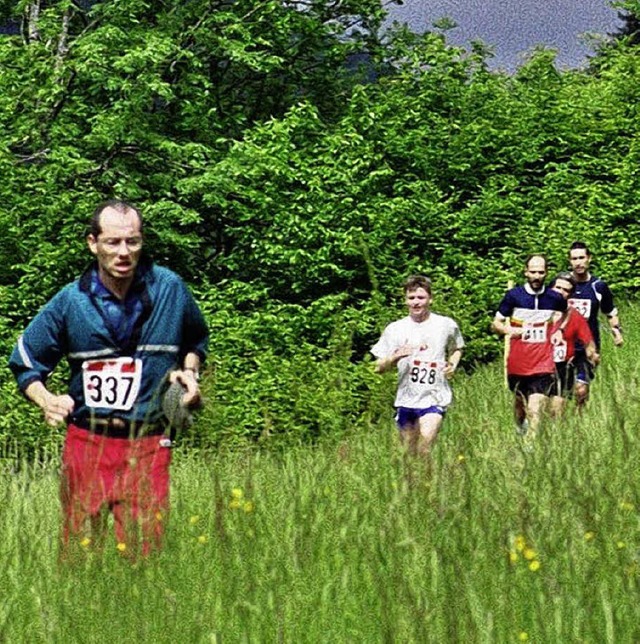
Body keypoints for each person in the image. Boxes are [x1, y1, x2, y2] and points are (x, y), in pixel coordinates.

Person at [9, 200, 208, 558]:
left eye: (132, 242)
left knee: (145, 556)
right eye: (113, 242)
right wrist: (47, 400)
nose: (123, 252)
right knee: (79, 555)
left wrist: (190, 373)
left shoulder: (170, 290)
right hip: (88, 441)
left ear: (142, 241)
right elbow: (25, 360)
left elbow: (195, 339)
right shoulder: (71, 302)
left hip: (148, 442)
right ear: (93, 243)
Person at [371, 275, 464, 456]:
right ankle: (417, 484)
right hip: (406, 400)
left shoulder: (445, 324)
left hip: (435, 397)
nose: (416, 302)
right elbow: (378, 367)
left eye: (420, 298)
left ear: (430, 299)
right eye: (411, 298)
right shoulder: (395, 329)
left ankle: (428, 483)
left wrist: (452, 364)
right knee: (408, 452)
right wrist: (395, 357)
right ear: (405, 300)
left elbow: (458, 347)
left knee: (425, 446)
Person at [492, 255, 566, 436]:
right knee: (520, 405)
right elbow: (496, 324)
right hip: (518, 363)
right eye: (533, 272)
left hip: (543, 363)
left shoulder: (554, 297)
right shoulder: (513, 296)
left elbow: (566, 314)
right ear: (526, 272)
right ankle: (520, 428)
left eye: (541, 272)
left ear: (546, 273)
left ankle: (530, 447)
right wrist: (510, 330)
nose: (537, 276)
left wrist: (558, 330)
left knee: (535, 408)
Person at [568, 241, 623, 407]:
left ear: (589, 258)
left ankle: (579, 420)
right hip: (564, 345)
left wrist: (617, 332)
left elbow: (610, 312)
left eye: (581, 257)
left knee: (581, 389)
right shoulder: (562, 284)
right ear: (570, 261)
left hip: (588, 346)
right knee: (560, 390)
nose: (578, 262)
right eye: (574, 259)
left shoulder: (598, 286)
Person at [548, 272, 599, 417]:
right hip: (536, 367)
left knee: (556, 412)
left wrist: (592, 355)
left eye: (566, 290)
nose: (561, 292)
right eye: (558, 287)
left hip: (562, 367)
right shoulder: (535, 310)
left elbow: (588, 341)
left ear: (570, 295)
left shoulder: (574, 315)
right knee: (533, 408)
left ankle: (557, 435)